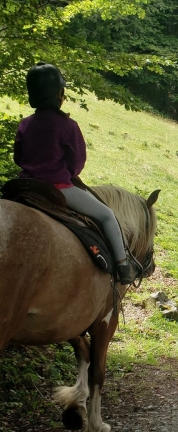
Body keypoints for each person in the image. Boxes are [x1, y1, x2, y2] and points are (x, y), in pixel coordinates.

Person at [13, 62, 137, 284]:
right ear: (58, 94)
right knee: (107, 215)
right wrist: (64, 173)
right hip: (58, 188)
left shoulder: (25, 124)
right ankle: (123, 266)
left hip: (25, 187)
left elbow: (18, 158)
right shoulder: (67, 125)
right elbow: (77, 163)